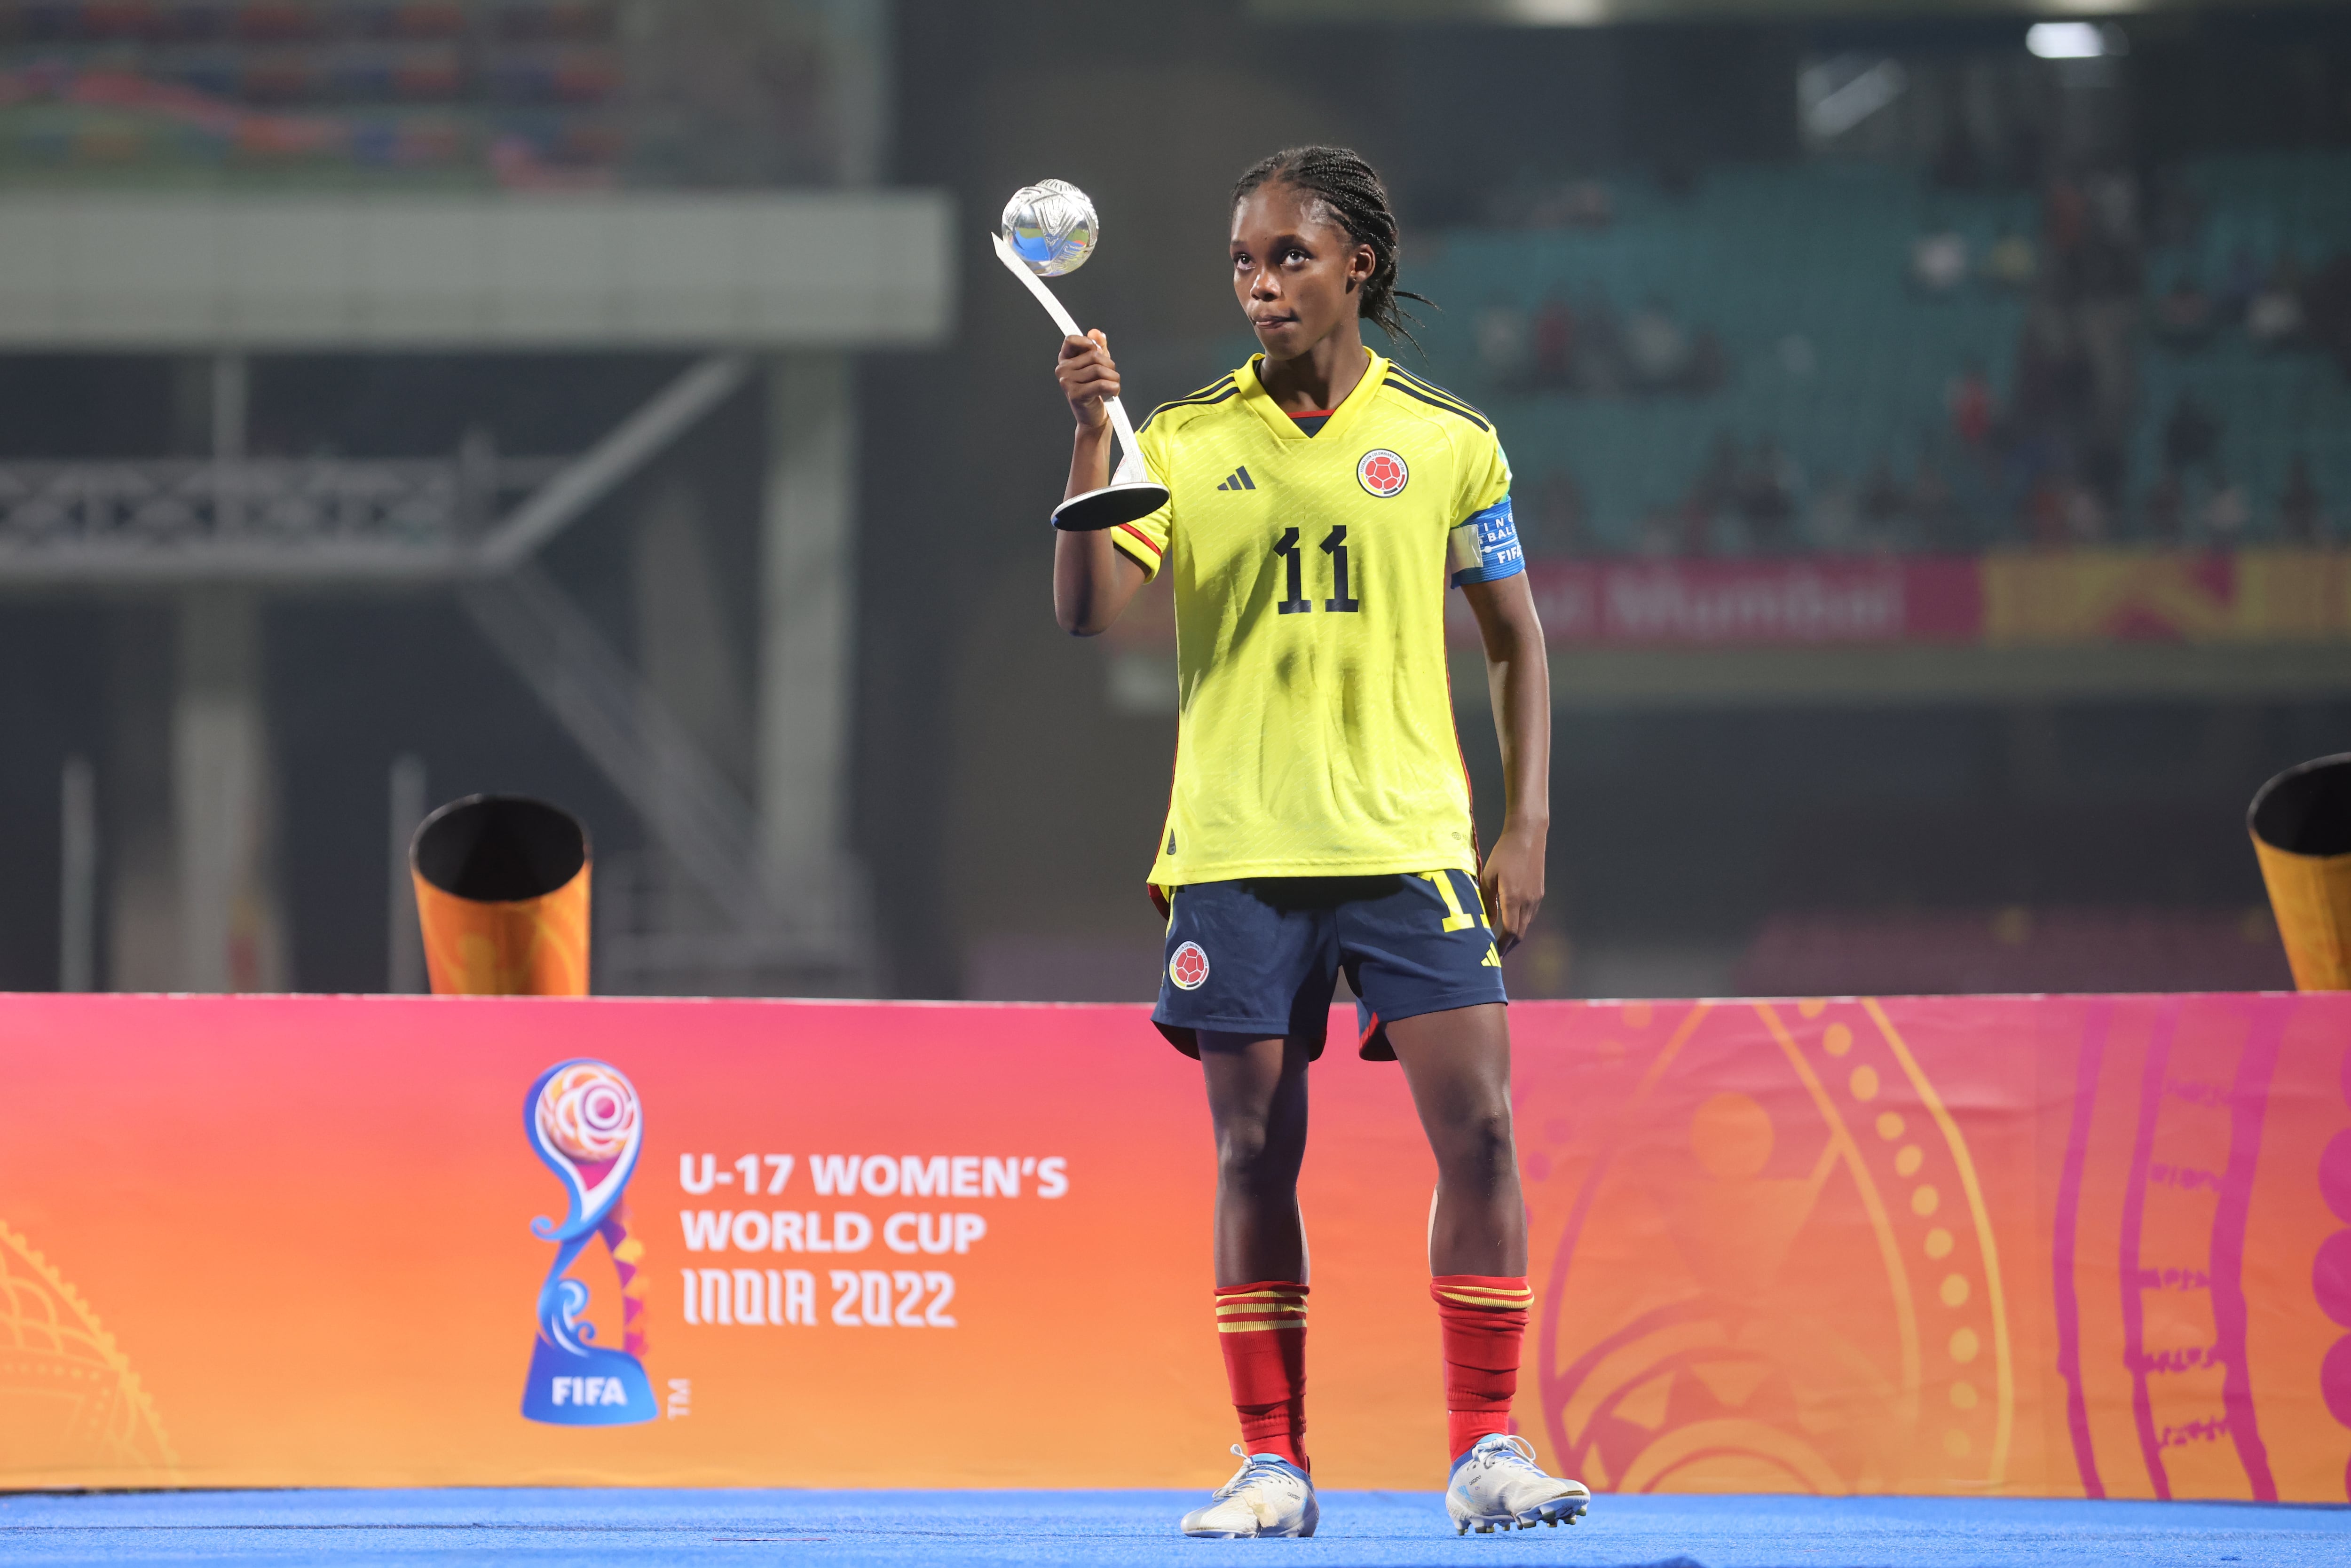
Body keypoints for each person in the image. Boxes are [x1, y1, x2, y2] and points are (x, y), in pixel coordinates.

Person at [1046, 145, 1587, 1540]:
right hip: (1234, 845)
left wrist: (1520, 827)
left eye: (1290, 256)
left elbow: (1517, 646)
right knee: (1251, 1153)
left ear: (1360, 265)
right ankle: (1272, 1465)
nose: (1262, 282)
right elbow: (1085, 609)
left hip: (1409, 840)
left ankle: (1484, 1450)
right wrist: (1093, 437)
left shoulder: (1454, 441)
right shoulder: (1184, 435)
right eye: (1242, 261)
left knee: (1481, 1128)